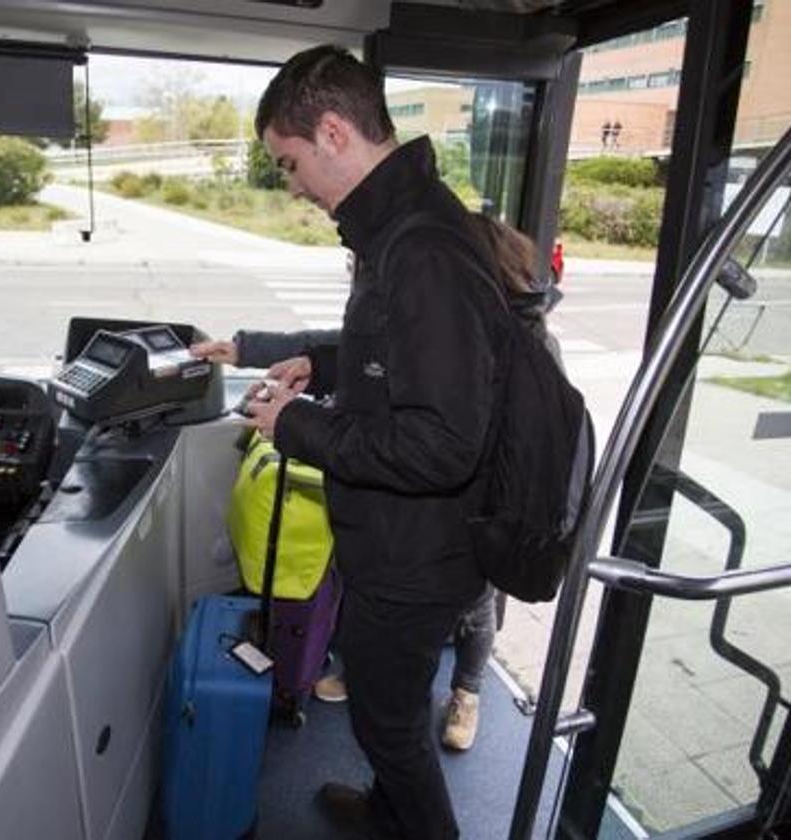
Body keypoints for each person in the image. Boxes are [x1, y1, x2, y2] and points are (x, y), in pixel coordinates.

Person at [238, 45, 510, 840]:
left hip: (417, 556)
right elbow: (402, 354)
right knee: (385, 712)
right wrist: (321, 361)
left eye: (289, 164)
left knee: (390, 726)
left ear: (331, 133)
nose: (292, 186)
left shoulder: (421, 247)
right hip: (396, 543)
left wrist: (295, 425)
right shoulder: (402, 227)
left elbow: (442, 444)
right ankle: (389, 813)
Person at [192, 216, 562, 753]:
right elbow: (354, 349)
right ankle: (372, 697)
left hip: (466, 528)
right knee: (381, 665)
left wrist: (297, 423)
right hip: (415, 527)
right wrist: (247, 348)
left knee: (463, 623)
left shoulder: (506, 350)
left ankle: (466, 690)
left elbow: (431, 447)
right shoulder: (448, 326)